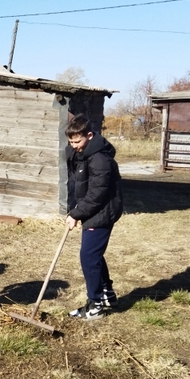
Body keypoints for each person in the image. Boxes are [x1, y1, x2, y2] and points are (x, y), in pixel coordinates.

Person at [64, 114, 123, 320]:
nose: (74, 146)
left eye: (77, 141)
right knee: (94, 254)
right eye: (70, 142)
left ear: (89, 135)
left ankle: (95, 304)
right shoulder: (81, 153)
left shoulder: (100, 159)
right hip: (93, 209)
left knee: (88, 256)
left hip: (102, 211)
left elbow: (97, 193)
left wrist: (76, 214)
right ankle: (107, 293)